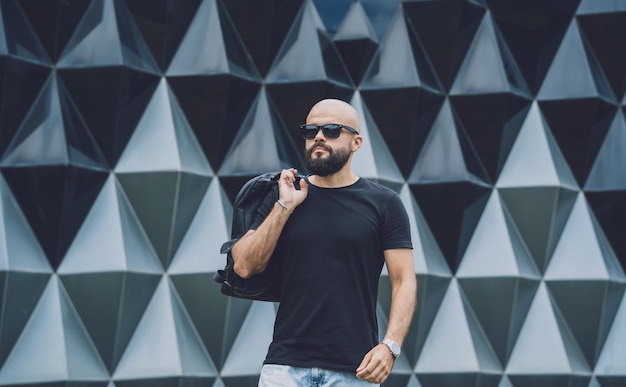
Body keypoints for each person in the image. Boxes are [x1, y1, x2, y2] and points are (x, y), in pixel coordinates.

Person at [231, 98, 417, 386]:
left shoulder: (384, 204)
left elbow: (404, 280)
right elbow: (243, 266)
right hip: (284, 368)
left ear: (356, 143)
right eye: (310, 130)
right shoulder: (284, 194)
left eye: (331, 129)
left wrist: (390, 347)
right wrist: (284, 206)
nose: (318, 136)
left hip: (354, 370)